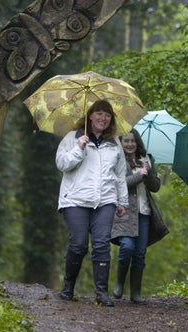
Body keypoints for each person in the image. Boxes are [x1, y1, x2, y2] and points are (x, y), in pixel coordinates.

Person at [55, 99, 128, 306]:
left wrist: (122, 201)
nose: (103, 118)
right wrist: (79, 148)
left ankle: (101, 293)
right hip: (75, 199)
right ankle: (68, 287)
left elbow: (120, 174)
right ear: (90, 115)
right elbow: (62, 164)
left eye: (107, 115)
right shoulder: (73, 137)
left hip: (105, 200)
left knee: (101, 244)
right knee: (78, 245)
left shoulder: (115, 142)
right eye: (99, 113)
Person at [111, 129, 170, 304]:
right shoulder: (117, 161)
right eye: (126, 141)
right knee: (127, 247)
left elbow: (156, 187)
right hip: (124, 212)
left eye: (133, 141)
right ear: (121, 143)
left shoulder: (146, 160)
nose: (130, 144)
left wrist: (148, 172)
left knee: (140, 253)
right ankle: (120, 282)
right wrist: (139, 175)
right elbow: (119, 184)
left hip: (144, 213)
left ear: (138, 143)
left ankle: (135, 292)